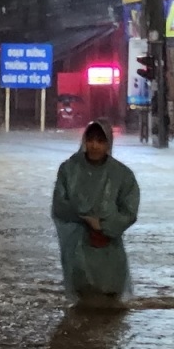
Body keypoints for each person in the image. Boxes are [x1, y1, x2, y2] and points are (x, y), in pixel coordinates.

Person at [51, 119, 140, 304]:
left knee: (110, 304)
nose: (94, 145)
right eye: (90, 140)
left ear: (108, 143)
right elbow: (59, 205)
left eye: (100, 140)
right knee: (84, 303)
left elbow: (129, 211)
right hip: (78, 248)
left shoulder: (122, 174)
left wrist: (103, 225)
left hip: (109, 248)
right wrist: (83, 217)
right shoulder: (69, 169)